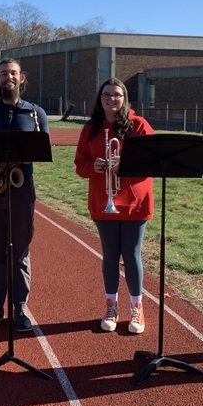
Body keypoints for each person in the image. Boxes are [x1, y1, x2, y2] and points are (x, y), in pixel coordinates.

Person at [0, 58, 49, 332]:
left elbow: (43, 150)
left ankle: (20, 307)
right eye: (4, 73)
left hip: (21, 189)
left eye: (13, 73)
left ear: (22, 78)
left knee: (20, 250)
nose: (9, 78)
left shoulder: (35, 113)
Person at [74, 78, 154, 334]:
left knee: (131, 255)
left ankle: (137, 307)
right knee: (110, 255)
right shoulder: (90, 129)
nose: (111, 99)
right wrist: (92, 166)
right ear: (100, 99)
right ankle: (111, 305)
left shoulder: (139, 125)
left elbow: (152, 161)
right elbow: (80, 164)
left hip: (134, 202)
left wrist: (126, 163)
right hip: (103, 200)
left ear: (125, 98)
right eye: (106, 95)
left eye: (116, 95)